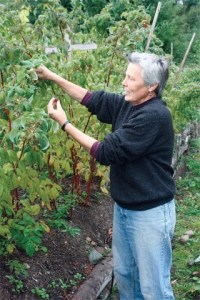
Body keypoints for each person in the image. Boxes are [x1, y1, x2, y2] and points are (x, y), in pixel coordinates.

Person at [36, 52, 176, 300]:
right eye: (125, 75)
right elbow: (93, 99)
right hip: (125, 208)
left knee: (154, 289)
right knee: (125, 277)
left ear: (151, 86)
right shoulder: (129, 103)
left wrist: (65, 124)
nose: (124, 82)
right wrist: (51, 76)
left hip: (150, 215)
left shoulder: (154, 116)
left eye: (131, 78)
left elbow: (105, 151)